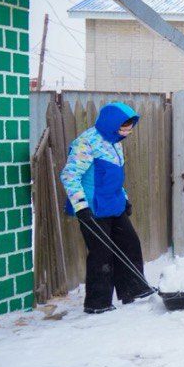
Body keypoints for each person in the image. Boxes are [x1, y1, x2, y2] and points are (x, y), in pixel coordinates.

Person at [60, 102, 154, 314]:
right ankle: (97, 303)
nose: (127, 133)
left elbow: (113, 176)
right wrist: (81, 207)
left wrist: (124, 198)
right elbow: (69, 175)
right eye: (124, 128)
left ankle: (134, 288)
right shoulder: (86, 143)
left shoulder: (115, 141)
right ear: (111, 124)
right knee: (101, 254)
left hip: (113, 202)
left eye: (130, 128)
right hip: (92, 206)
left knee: (130, 243)